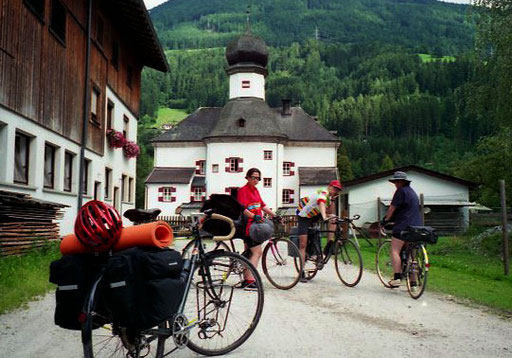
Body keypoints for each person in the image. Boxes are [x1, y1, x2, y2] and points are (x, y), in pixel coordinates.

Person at [237, 168, 277, 290]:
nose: (255, 180)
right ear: (248, 177)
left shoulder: (255, 190)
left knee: (249, 253)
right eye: (253, 177)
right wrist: (254, 216)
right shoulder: (243, 191)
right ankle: (250, 281)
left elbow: (262, 205)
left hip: (255, 225)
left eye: (258, 178)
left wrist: (274, 215)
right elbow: (243, 209)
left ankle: (245, 280)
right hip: (249, 226)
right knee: (257, 252)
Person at [380, 171, 422, 287]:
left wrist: (385, 220)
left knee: (394, 250)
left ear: (401, 182)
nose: (395, 184)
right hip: (416, 226)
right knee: (412, 256)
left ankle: (397, 278)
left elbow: (392, 208)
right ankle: (413, 283)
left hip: (403, 227)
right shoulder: (412, 192)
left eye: (396, 182)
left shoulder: (400, 191)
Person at [296, 180, 342, 283]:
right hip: (304, 216)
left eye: (338, 190)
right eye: (335, 188)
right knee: (303, 244)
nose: (336, 191)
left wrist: (333, 201)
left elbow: (330, 212)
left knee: (334, 218)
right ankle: (301, 272)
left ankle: (329, 244)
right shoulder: (323, 193)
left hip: (315, 215)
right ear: (329, 187)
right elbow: (321, 203)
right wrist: (324, 217)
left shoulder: (329, 198)